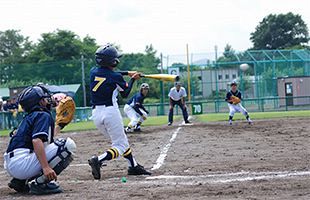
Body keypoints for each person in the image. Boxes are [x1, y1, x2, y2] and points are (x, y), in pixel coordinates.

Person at [88, 44, 151, 180]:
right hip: (110, 112)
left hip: (96, 115)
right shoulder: (115, 77)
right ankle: (98, 160)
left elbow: (108, 74)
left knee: (121, 140)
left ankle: (133, 166)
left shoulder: (93, 72)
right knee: (120, 145)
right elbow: (125, 94)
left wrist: (127, 73)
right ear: (112, 61)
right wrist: (133, 79)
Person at [3, 85, 76, 195]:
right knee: (66, 145)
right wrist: (46, 168)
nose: (47, 100)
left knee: (43, 146)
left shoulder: (31, 116)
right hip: (21, 164)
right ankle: (39, 183)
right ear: (39, 102)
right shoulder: (42, 115)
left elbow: (43, 141)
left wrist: (59, 126)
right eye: (44, 98)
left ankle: (19, 181)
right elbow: (37, 141)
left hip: (12, 164)